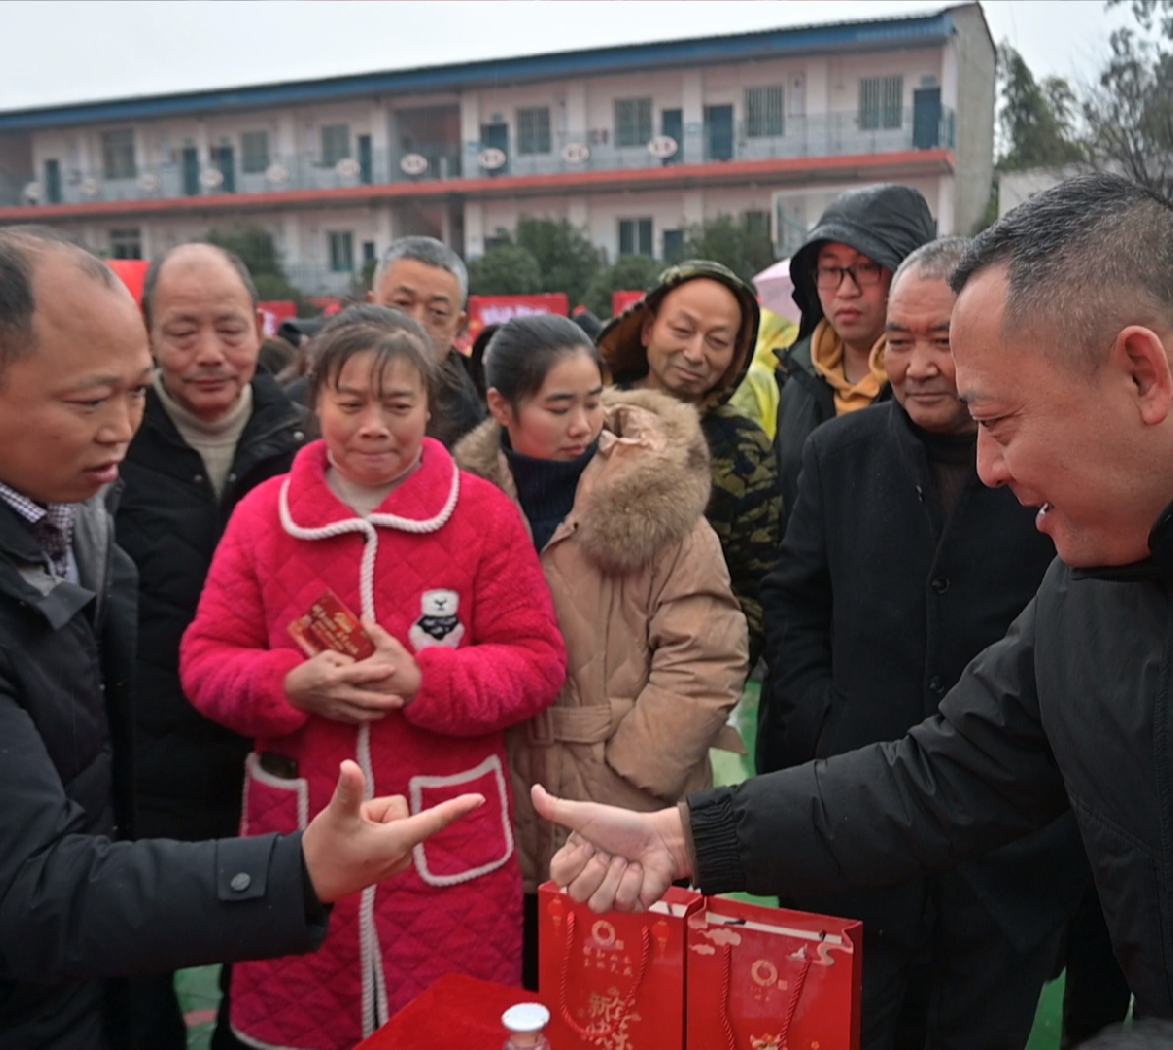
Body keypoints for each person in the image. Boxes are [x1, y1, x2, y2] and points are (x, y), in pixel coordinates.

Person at [532, 174, 1173, 1049]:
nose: (989, 468)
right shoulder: (1100, 562)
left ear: (1142, 373)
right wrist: (689, 836)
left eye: (999, 421)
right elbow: (945, 772)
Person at [0, 227, 485, 1049]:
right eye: (91, 402)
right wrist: (296, 868)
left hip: (77, 970)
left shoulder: (52, 499)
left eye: (137, 393)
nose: (122, 427)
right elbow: (26, 891)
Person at [180, 305, 567, 1049]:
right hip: (299, 837)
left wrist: (426, 682)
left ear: (430, 406)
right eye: (350, 403)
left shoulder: (482, 515)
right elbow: (205, 662)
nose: (373, 427)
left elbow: (536, 662)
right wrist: (287, 687)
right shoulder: (264, 517)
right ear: (317, 400)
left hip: (447, 851)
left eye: (397, 405)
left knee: (450, 1031)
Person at [760, 236, 1094, 1050]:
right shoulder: (838, 455)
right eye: (898, 340)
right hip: (855, 828)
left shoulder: (1054, 462)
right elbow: (795, 604)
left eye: (943, 339)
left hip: (1005, 845)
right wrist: (824, 723)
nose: (917, 366)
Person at [450, 314, 747, 987]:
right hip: (501, 803)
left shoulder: (652, 497)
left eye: (593, 400)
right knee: (520, 997)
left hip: (632, 808)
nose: (582, 424)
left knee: (634, 995)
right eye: (559, 407)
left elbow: (706, 655)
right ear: (501, 406)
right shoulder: (462, 503)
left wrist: (632, 775)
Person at [121, 244, 309, 1048]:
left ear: (260, 327)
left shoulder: (307, 440)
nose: (209, 354)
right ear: (146, 335)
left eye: (229, 330)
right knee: (133, 977)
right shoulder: (111, 437)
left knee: (267, 978)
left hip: (275, 762)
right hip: (142, 768)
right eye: (182, 331)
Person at [597, 261, 780, 662]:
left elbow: (759, 584)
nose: (696, 354)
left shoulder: (744, 448)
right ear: (647, 329)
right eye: (682, 331)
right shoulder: (589, 420)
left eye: (718, 341)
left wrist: (710, 662)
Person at [773, 185, 935, 519]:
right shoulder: (796, 384)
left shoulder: (938, 384)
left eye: (866, 268)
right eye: (831, 270)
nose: (846, 290)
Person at [366, 236, 488, 445]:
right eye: (402, 304)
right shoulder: (318, 394)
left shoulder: (480, 418)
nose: (417, 323)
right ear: (371, 306)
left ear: (458, 326)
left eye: (437, 312)